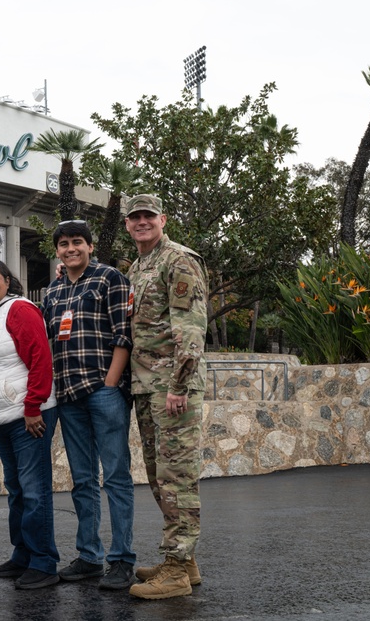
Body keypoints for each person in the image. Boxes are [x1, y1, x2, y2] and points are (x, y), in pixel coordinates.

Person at [41, 220, 137, 591]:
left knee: (115, 477)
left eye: (77, 242)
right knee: (83, 480)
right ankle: (89, 556)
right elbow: (49, 340)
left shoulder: (110, 279)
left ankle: (122, 559)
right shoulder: (52, 290)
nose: (71, 248)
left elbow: (123, 335)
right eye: (64, 243)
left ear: (90, 246)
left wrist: (110, 384)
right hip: (69, 396)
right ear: (57, 250)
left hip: (102, 392)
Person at [123, 194, 208, 600]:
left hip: (172, 388)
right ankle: (185, 561)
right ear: (127, 224)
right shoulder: (138, 266)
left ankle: (175, 570)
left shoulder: (179, 260)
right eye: (135, 217)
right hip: (146, 386)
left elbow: (190, 328)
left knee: (177, 478)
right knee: (160, 478)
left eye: (149, 216)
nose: (142, 222)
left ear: (163, 219)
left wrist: (179, 384)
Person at [0, 258, 60, 590]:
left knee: (34, 490)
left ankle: (44, 562)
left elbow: (40, 358)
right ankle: (23, 555)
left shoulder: (19, 309)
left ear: (8, 281)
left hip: (28, 416)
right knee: (18, 489)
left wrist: (33, 407)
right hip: (3, 417)